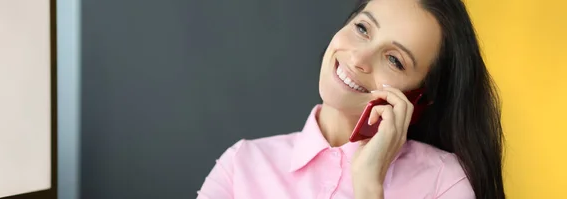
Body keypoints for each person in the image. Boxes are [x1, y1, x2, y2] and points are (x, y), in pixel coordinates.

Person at [197, 0, 505, 198]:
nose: (359, 57)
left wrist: (369, 186)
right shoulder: (241, 165)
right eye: (362, 28)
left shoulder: (443, 182)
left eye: (395, 60)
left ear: (420, 98)